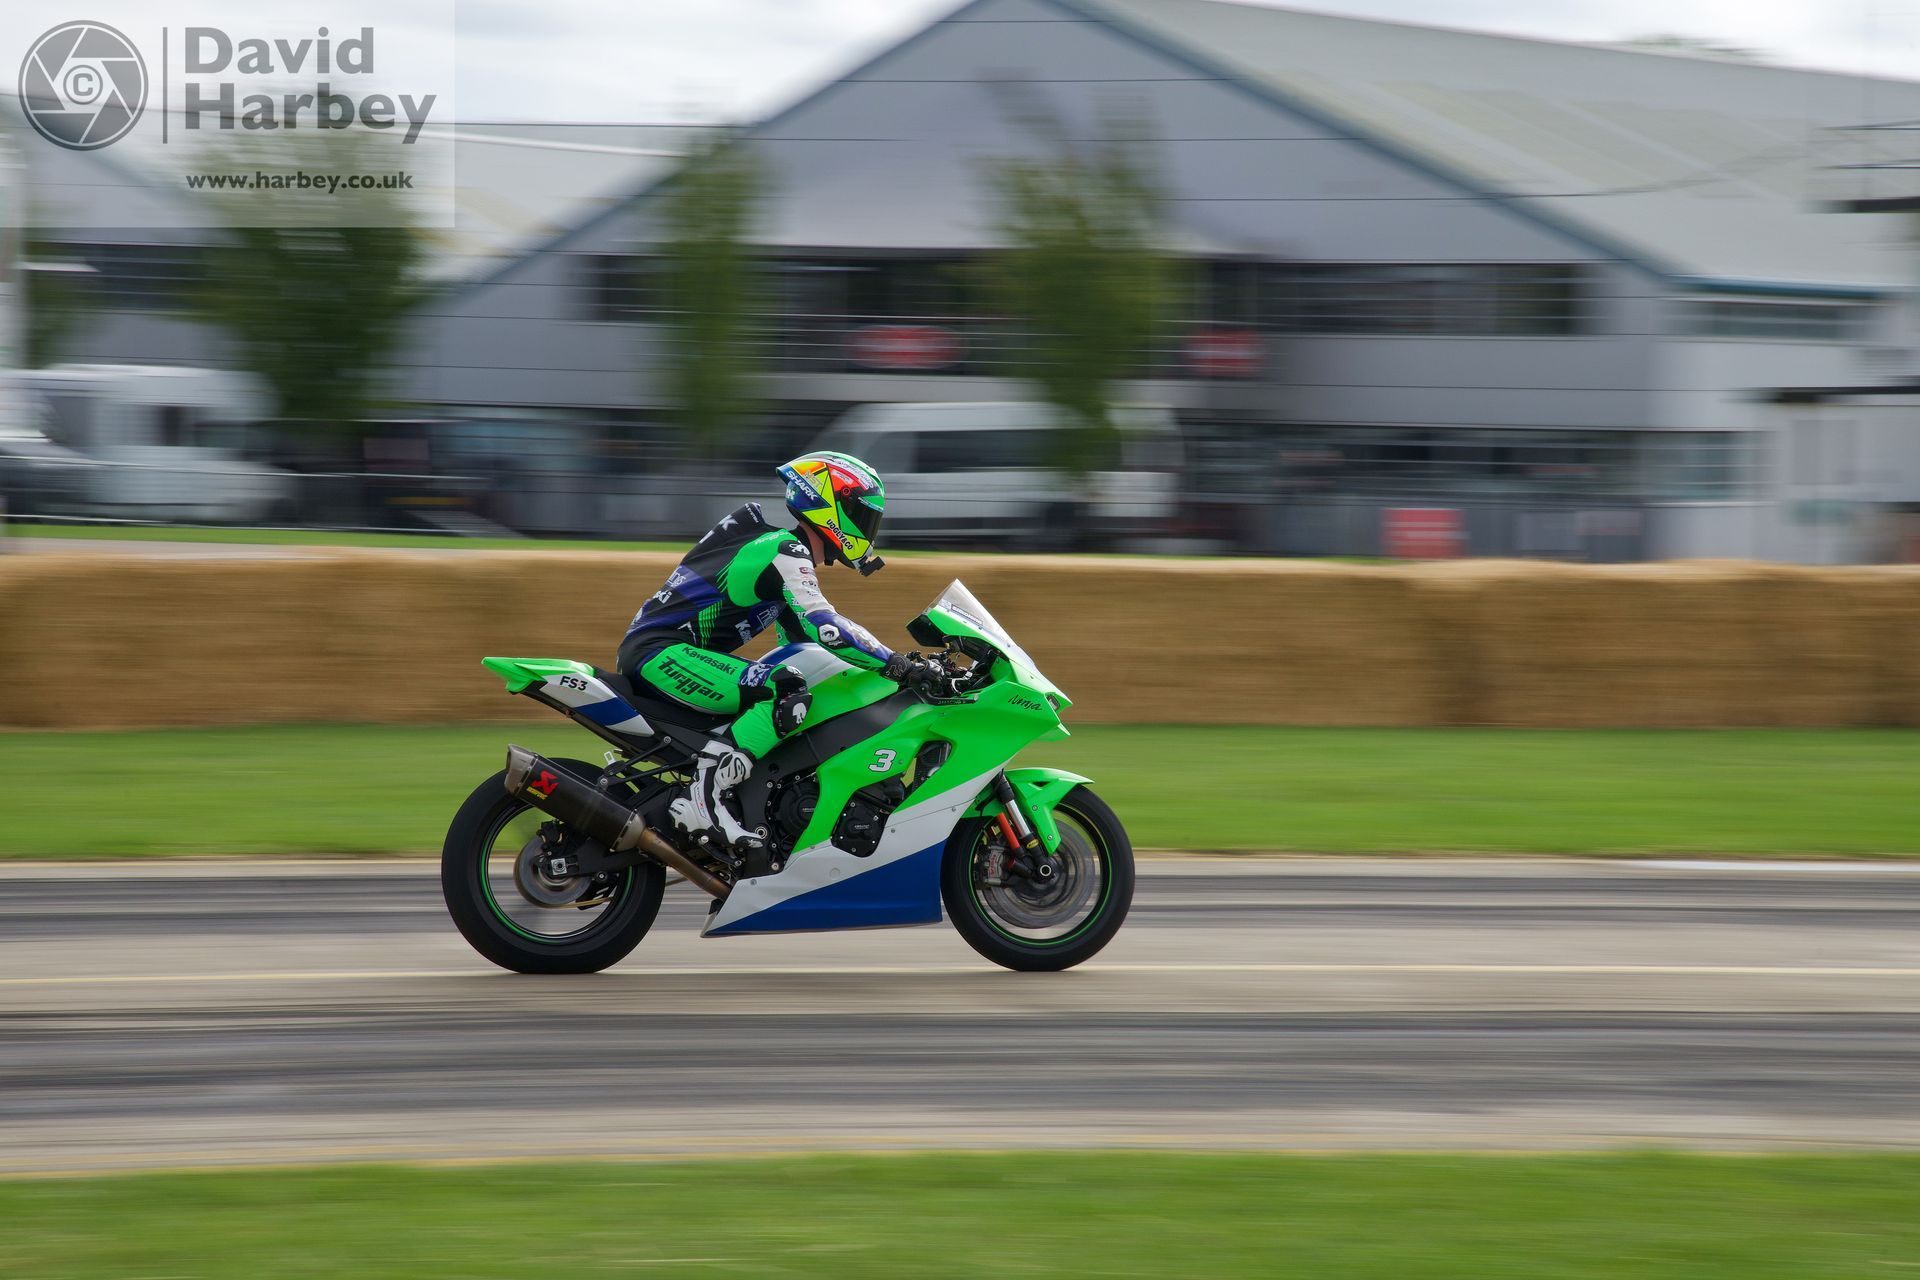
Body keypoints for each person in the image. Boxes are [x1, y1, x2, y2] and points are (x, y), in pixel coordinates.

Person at [617, 450, 948, 857]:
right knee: (785, 691)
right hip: (660, 654)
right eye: (863, 515)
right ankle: (703, 799)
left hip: (667, 654)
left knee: (793, 683)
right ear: (831, 505)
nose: (868, 528)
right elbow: (826, 626)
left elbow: (803, 646)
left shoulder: (779, 551)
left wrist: (882, 667)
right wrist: (898, 664)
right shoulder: (783, 549)